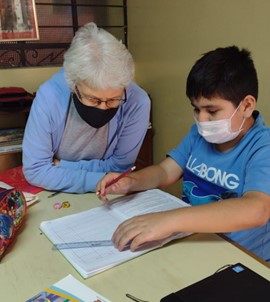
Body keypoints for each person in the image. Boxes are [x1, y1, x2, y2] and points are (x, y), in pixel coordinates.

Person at [97, 46, 270, 263]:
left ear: (246, 105)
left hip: (240, 259)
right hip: (192, 243)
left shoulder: (263, 146)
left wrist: (167, 221)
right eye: (196, 109)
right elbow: (164, 172)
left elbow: (257, 209)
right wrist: (130, 182)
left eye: (212, 111)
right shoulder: (199, 135)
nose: (202, 119)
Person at [22, 22, 151, 193]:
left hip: (106, 194)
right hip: (61, 193)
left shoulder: (137, 102)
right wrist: (102, 180)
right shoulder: (50, 95)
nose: (104, 108)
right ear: (73, 85)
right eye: (93, 99)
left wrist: (62, 166)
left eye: (114, 99)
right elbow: (36, 169)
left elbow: (120, 167)